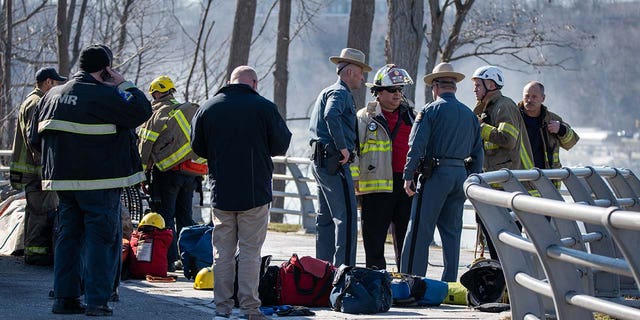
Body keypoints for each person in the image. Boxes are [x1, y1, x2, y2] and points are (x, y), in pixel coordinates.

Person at [29, 44, 152, 316]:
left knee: (68, 238)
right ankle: (97, 300)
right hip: (100, 182)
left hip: (62, 183)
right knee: (102, 240)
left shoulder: (50, 96)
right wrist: (125, 84)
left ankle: (65, 299)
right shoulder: (104, 95)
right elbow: (142, 110)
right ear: (106, 69)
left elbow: (35, 140)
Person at [191, 66, 291, 320]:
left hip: (221, 190)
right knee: (249, 252)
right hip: (255, 191)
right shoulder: (265, 108)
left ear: (229, 82)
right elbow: (281, 144)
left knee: (221, 253)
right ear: (254, 84)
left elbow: (197, 146)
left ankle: (222, 309)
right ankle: (249, 309)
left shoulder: (208, 107)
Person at [400, 62, 484, 282]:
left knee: (420, 229)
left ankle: (411, 279)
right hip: (460, 177)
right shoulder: (469, 114)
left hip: (435, 174)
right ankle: (448, 282)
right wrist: (470, 178)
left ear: (435, 86)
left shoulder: (430, 110)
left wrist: (408, 175)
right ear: (454, 86)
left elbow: (416, 145)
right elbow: (478, 154)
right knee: (452, 232)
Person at [309, 48, 371, 267]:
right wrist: (343, 147)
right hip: (335, 161)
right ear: (351, 72)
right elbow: (331, 115)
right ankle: (344, 272)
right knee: (346, 219)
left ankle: (322, 271)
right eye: (361, 72)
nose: (363, 78)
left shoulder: (325, 91)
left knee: (324, 219)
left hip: (320, 161)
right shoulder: (341, 93)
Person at [354, 64, 415, 270]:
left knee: (406, 239)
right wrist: (355, 182)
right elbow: (355, 151)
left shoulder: (412, 116)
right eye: (391, 90)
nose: (397, 94)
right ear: (378, 93)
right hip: (375, 188)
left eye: (400, 90)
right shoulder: (365, 117)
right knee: (374, 240)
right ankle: (376, 281)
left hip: (405, 186)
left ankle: (406, 280)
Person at [138, 75, 200, 272]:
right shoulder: (186, 111)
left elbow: (145, 145)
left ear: (156, 93)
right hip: (190, 173)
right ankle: (188, 259)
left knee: (165, 215)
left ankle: (169, 259)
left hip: (167, 173)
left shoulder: (157, 113)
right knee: (185, 216)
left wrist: (141, 172)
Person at [471, 65, 533, 260]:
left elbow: (508, 138)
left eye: (478, 85)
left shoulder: (503, 106)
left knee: (506, 243)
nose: (474, 90)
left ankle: (509, 283)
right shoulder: (487, 108)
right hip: (493, 186)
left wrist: (481, 127)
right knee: (495, 242)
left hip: (505, 187)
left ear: (490, 84)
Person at [9, 67, 66, 266]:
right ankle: (36, 254)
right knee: (42, 211)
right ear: (48, 82)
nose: (58, 87)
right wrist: (47, 164)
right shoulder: (37, 103)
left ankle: (33, 251)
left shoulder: (31, 100)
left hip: (33, 169)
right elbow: (35, 138)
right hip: (37, 168)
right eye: (57, 83)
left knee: (36, 210)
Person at [518, 81, 579, 185]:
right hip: (520, 180)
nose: (529, 100)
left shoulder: (552, 119)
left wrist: (561, 129)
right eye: (526, 96)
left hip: (548, 181)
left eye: (534, 97)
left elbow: (571, 142)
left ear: (543, 98)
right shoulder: (513, 117)